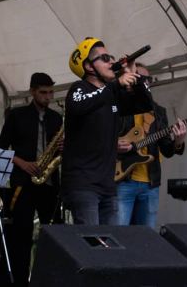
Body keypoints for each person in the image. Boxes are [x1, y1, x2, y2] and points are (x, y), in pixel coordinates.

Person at [61, 38, 153, 225]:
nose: (112, 61)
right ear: (88, 66)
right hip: (83, 184)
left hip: (108, 185)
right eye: (104, 58)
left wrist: (134, 73)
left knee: (109, 246)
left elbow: (145, 104)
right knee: (89, 244)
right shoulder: (79, 88)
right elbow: (80, 105)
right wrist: (116, 84)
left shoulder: (112, 94)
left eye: (111, 56)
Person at [0, 72, 63, 287]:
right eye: (43, 92)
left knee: (54, 236)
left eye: (50, 93)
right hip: (23, 183)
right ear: (32, 91)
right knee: (21, 237)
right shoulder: (16, 115)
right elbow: (1, 149)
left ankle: (50, 280)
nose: (48, 97)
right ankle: (20, 283)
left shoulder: (56, 118)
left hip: (50, 183)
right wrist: (22, 163)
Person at [115, 63, 187, 229]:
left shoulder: (157, 111)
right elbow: (102, 137)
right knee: (118, 234)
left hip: (150, 183)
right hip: (123, 180)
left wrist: (178, 142)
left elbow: (166, 149)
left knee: (146, 239)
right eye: (143, 78)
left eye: (149, 79)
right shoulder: (117, 106)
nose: (148, 82)